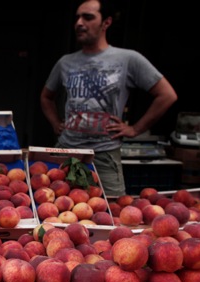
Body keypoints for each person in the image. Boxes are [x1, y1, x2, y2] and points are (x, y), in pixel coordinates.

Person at [40, 0, 177, 196]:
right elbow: (46, 97)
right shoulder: (65, 62)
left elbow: (167, 95)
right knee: (55, 207)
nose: (79, 22)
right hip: (66, 151)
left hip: (103, 154)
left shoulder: (127, 59)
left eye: (88, 17)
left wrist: (135, 129)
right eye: (77, 17)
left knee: (111, 211)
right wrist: (55, 123)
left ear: (106, 22)